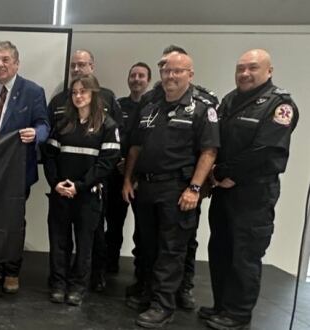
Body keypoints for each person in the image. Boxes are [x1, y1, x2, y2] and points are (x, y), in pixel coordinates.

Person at [201, 49, 299, 330]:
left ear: (269, 71)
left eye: (252, 68)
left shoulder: (280, 105)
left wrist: (229, 173)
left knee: (245, 254)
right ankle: (221, 306)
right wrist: (216, 174)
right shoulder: (230, 100)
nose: (244, 73)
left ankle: (238, 314)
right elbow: (215, 140)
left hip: (254, 193)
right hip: (223, 189)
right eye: (240, 68)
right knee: (220, 249)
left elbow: (266, 150)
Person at [122, 52, 219, 328]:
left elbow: (209, 151)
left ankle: (163, 306)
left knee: (172, 249)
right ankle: (150, 294)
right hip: (147, 186)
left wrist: (195, 188)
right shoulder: (151, 106)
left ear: (190, 74)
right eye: (166, 71)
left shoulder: (201, 108)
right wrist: (128, 179)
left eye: (177, 71)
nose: (170, 76)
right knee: (147, 246)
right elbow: (136, 148)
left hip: (178, 189)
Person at [45, 49, 122, 292]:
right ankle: (58, 284)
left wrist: (79, 186)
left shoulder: (107, 126)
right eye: (75, 92)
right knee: (59, 243)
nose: (78, 96)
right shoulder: (63, 123)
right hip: (60, 193)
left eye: (83, 92)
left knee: (86, 243)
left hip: (88, 195)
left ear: (94, 94)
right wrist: (56, 183)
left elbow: (107, 162)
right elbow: (49, 156)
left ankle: (78, 288)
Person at [0, 41, 49, 294]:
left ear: (17, 63)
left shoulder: (32, 91)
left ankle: (12, 271)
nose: (0, 64)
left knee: (14, 222)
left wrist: (36, 134)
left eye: (5, 59)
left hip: (18, 172)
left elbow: (44, 125)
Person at [108, 62, 151, 274]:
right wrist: (119, 162)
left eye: (141, 76)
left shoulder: (154, 107)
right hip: (117, 173)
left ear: (148, 81)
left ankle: (140, 272)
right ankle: (110, 265)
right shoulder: (118, 105)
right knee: (114, 223)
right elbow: (112, 136)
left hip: (142, 177)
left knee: (144, 227)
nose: (136, 79)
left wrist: (135, 167)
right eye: (133, 75)